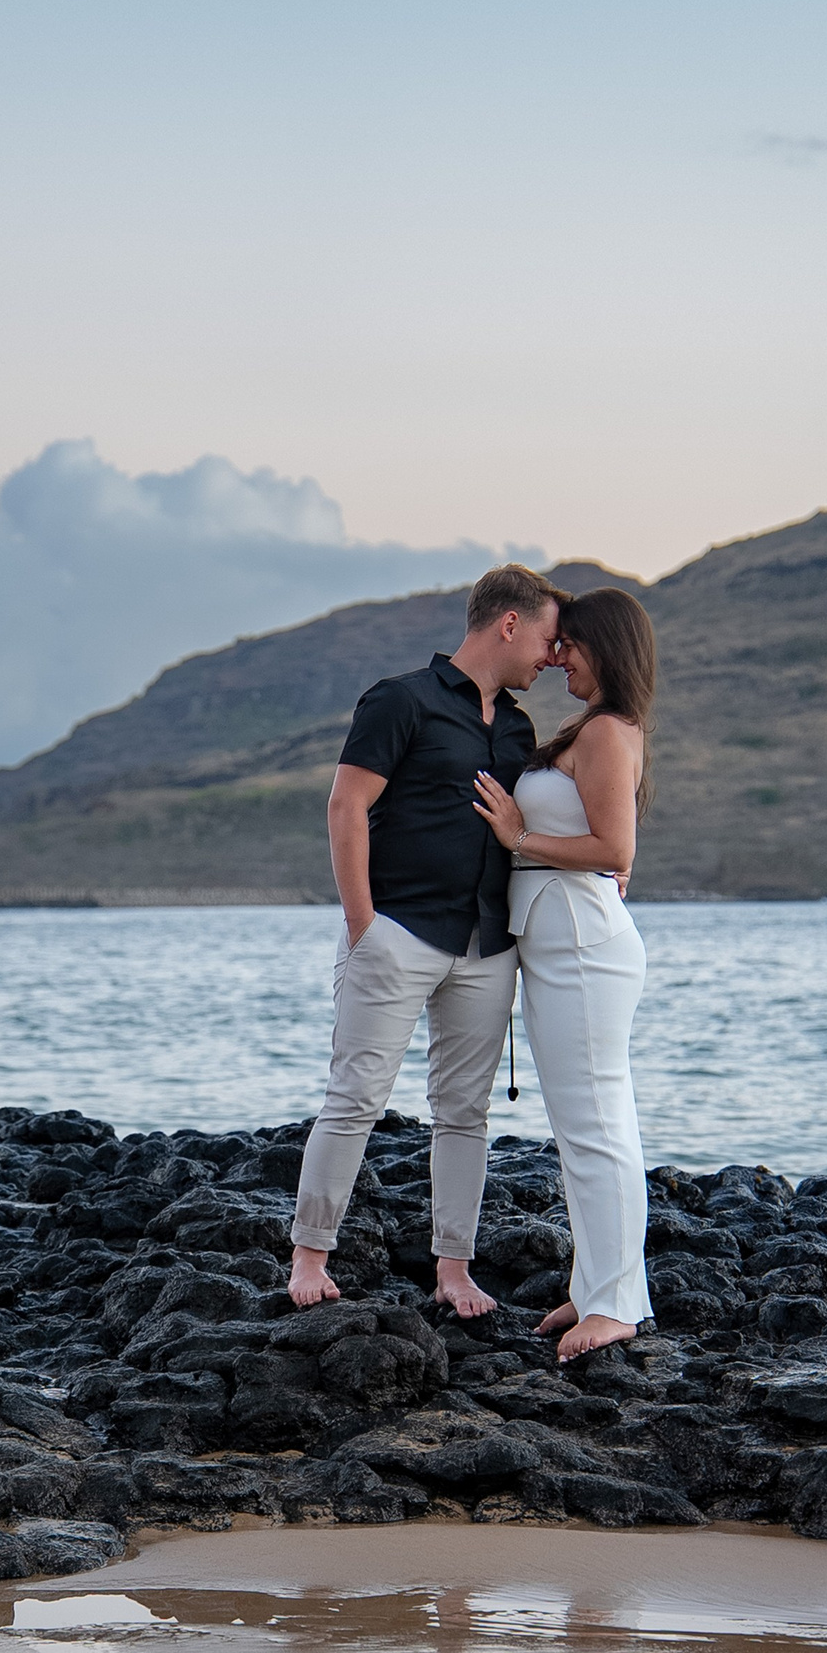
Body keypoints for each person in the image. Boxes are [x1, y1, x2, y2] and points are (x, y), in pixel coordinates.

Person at [288, 564, 564, 1314]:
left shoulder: (518, 728)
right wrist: (363, 926)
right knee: (355, 1098)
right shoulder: (400, 699)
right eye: (546, 639)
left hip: (487, 944)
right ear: (509, 623)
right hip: (398, 931)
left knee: (465, 1112)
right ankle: (309, 1256)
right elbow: (346, 805)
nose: (552, 656)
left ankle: (454, 1270)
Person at [471, 586, 656, 1360]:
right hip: (564, 943)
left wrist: (520, 837)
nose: (558, 659)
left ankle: (615, 1304)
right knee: (585, 1126)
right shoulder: (596, 728)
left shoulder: (608, 730)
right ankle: (597, 1285)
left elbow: (615, 851)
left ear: (603, 647)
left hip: (582, 949)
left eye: (569, 645)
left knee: (597, 1126)